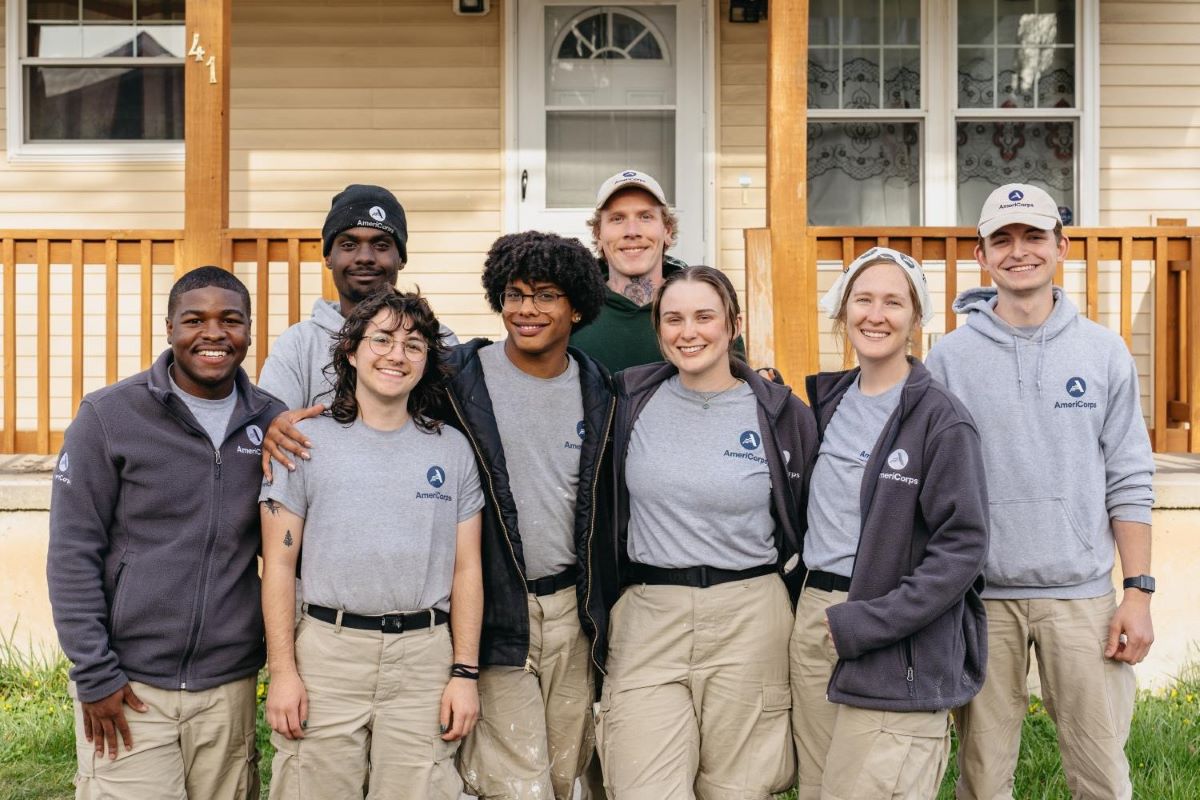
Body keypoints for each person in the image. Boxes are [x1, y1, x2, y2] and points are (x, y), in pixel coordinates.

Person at [925, 184, 1156, 800]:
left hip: (1082, 599)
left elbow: (1129, 475)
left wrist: (1137, 592)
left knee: (1102, 776)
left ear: (1062, 245)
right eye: (1003, 239)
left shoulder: (1104, 353)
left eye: (1034, 236)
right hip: (980, 599)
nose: (1019, 251)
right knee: (980, 780)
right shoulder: (947, 360)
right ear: (981, 254)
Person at [47, 266, 286, 799]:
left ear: (250, 330)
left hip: (229, 687)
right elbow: (71, 552)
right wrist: (94, 672)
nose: (214, 334)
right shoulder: (109, 415)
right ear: (169, 328)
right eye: (194, 320)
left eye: (231, 320)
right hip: (130, 685)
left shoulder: (270, 421)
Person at [598, 265, 814, 798]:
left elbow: (814, 518)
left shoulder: (781, 413)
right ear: (658, 328)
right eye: (673, 319)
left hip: (750, 612)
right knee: (642, 785)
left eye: (704, 317)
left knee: (739, 787)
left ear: (733, 324)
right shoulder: (627, 402)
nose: (688, 332)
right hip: (650, 611)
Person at [260, 288, 483, 799]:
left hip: (424, 657)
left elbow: (466, 569)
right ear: (351, 352)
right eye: (381, 339)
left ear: (427, 362)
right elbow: (277, 564)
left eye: (413, 345)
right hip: (328, 654)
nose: (395, 355)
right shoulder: (304, 444)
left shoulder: (452, 450)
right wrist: (283, 672)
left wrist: (463, 673)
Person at [792, 247, 990, 799]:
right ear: (842, 312)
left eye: (893, 302)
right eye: (863, 299)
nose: (875, 315)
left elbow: (961, 551)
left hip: (895, 640)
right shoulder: (826, 405)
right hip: (816, 621)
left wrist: (869, 622)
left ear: (915, 319)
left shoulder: (941, 421)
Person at [440, 231, 615, 800]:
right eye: (515, 294)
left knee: (565, 775)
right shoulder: (455, 378)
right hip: (497, 607)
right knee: (515, 782)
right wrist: (283, 421)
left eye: (545, 296)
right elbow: (372, 391)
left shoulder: (601, 391)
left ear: (578, 306)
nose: (527, 310)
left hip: (572, 611)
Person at [259, 183, 457, 478]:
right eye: (349, 244)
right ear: (328, 257)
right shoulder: (299, 344)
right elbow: (270, 425)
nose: (365, 257)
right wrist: (272, 428)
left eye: (381, 245)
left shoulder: (436, 340)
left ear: (401, 257)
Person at [570, 170, 751, 376]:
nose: (632, 231)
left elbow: (736, 389)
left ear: (667, 231)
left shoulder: (707, 306)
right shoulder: (573, 309)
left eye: (645, 217)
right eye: (617, 218)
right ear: (598, 234)